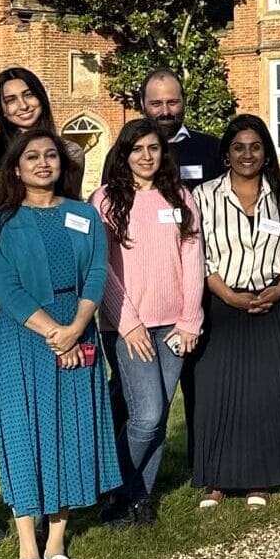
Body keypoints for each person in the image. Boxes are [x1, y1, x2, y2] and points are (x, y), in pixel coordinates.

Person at [0, 129, 121, 559]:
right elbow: (7, 289)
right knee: (23, 435)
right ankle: (26, 543)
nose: (43, 163)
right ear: (16, 168)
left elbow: (97, 271)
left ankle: (57, 536)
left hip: (77, 328)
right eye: (33, 157)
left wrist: (77, 328)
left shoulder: (84, 214)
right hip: (23, 337)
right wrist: (53, 332)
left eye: (51, 156)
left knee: (68, 431)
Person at [0, 67, 81, 546]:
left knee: (53, 396)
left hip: (55, 292)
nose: (21, 105)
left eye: (28, 95)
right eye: (9, 99)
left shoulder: (65, 153)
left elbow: (70, 218)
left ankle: (55, 492)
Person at [90, 118, 203, 524]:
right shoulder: (104, 200)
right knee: (147, 415)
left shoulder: (179, 197)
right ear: (124, 153)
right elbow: (100, 267)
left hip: (174, 325)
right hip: (126, 327)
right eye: (137, 149)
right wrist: (129, 322)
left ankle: (140, 497)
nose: (146, 156)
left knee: (156, 419)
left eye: (153, 148)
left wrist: (191, 318)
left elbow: (193, 258)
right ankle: (114, 490)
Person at [192, 115, 280, 509]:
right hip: (223, 302)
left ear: (265, 151)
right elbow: (197, 252)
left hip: (273, 301)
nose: (247, 154)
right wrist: (226, 294)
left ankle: (261, 477)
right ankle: (216, 480)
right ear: (226, 154)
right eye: (239, 147)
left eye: (255, 147)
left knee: (265, 394)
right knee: (216, 392)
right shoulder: (204, 196)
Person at [139, 69, 224, 473]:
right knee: (144, 393)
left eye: (172, 102)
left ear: (183, 101)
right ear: (143, 105)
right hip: (149, 294)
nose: (165, 110)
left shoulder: (210, 149)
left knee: (201, 382)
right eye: (156, 103)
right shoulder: (130, 151)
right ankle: (130, 467)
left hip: (202, 283)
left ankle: (203, 461)